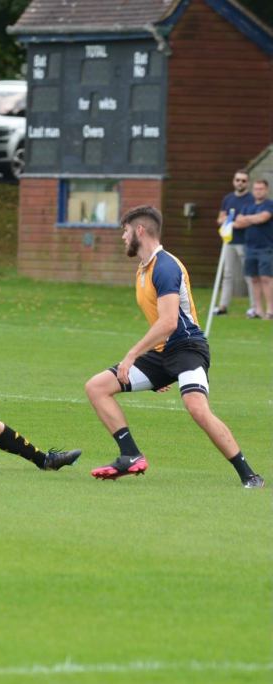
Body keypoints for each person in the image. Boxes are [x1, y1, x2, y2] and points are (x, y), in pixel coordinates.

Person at [84, 205, 264, 488]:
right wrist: (159, 371)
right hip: (163, 353)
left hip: (188, 348)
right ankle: (130, 455)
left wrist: (132, 355)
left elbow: (169, 322)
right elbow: (161, 326)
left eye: (126, 231)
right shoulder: (143, 270)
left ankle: (250, 475)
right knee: (97, 387)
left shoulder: (165, 267)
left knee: (196, 407)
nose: (123, 237)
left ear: (140, 231)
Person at [214, 169, 258, 317]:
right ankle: (223, 306)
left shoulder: (251, 199)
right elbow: (220, 218)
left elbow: (246, 221)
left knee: (249, 275)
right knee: (227, 274)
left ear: (248, 183)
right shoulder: (228, 198)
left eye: (243, 181)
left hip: (245, 242)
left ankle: (254, 307)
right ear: (234, 181)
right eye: (238, 180)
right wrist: (231, 222)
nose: (240, 183)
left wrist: (231, 222)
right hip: (228, 241)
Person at [233, 178, 273, 320]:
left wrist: (247, 219)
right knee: (254, 279)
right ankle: (258, 310)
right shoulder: (247, 206)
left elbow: (263, 218)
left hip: (266, 248)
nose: (258, 191)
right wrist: (252, 219)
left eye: (261, 189)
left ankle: (270, 310)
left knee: (266, 278)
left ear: (266, 190)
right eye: (256, 189)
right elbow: (238, 223)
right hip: (249, 247)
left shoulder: (269, 204)